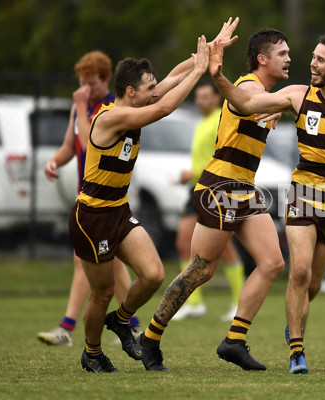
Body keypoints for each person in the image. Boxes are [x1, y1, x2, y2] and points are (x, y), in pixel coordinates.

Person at [209, 30, 325, 374]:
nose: (311, 63)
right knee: (298, 272)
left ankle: (294, 320)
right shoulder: (297, 96)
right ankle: (297, 351)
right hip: (303, 194)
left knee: (312, 283)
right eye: (312, 57)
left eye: (320, 60)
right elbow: (246, 104)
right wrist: (218, 76)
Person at [138, 25, 289, 372]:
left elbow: (258, 108)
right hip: (221, 186)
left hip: (243, 189)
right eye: (283, 53)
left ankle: (234, 341)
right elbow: (247, 101)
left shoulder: (260, 92)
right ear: (263, 59)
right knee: (200, 270)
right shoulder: (249, 87)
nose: (289, 58)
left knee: (272, 263)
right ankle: (150, 336)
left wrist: (275, 108)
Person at [69, 30, 214, 372]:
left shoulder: (137, 101)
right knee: (101, 293)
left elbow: (172, 79)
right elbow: (164, 106)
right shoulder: (112, 117)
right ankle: (92, 353)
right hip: (91, 217)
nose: (156, 90)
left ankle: (121, 321)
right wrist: (199, 71)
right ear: (131, 92)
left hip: (118, 211)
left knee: (152, 274)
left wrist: (203, 56)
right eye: (150, 87)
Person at [38, 51, 139, 347]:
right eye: (81, 81)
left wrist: (81, 104)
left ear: (106, 80)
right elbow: (71, 146)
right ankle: (130, 326)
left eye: (90, 82)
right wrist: (54, 162)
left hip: (106, 198)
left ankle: (67, 327)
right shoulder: (78, 109)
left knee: (87, 261)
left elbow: (87, 142)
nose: (83, 87)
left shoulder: (110, 107)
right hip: (88, 196)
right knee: (112, 265)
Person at [172, 81, 246, 322]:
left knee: (224, 248)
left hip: (215, 188)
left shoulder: (219, 119)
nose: (199, 101)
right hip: (198, 188)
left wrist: (191, 174)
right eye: (198, 97)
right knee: (184, 242)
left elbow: (221, 158)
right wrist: (191, 175)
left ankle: (239, 304)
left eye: (205, 97)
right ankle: (194, 303)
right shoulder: (201, 122)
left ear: (217, 98)